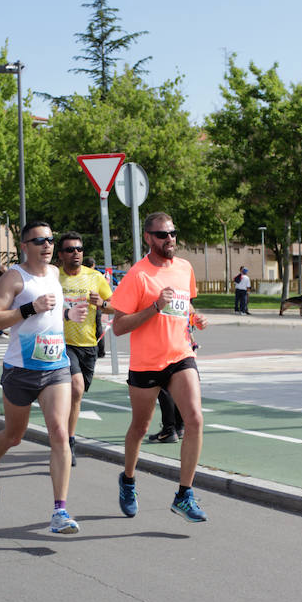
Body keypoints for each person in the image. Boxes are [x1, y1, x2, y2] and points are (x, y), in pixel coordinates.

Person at [0, 220, 85, 535]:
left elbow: (51, 311)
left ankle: (60, 511)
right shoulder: (14, 278)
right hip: (20, 370)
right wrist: (29, 309)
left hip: (55, 367)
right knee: (14, 436)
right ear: (24, 246)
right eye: (39, 240)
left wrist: (67, 314)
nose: (47, 245)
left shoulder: (54, 274)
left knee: (59, 433)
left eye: (50, 239)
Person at [110, 211, 208, 523]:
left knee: (194, 419)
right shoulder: (138, 275)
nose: (170, 240)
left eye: (173, 233)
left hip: (180, 356)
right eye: (163, 235)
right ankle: (127, 480)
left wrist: (195, 318)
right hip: (146, 363)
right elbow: (119, 326)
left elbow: (185, 305)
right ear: (149, 238)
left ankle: (184, 495)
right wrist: (155, 307)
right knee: (140, 427)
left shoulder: (184, 268)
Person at [58, 232, 113, 465]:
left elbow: (114, 307)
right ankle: (68, 440)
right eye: (70, 250)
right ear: (60, 255)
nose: (76, 253)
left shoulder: (95, 277)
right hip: (61, 344)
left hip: (88, 345)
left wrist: (101, 304)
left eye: (79, 249)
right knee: (76, 388)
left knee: (76, 395)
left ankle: (63, 431)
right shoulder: (54, 277)